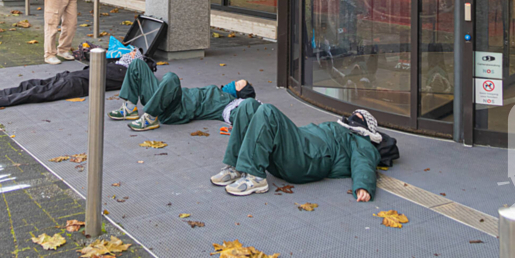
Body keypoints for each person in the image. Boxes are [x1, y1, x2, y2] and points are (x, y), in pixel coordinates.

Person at [209, 102, 399, 199]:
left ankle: (255, 178)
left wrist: (364, 186)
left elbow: (363, 162)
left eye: (360, 116)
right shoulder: (338, 127)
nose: (355, 114)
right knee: (249, 105)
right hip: (300, 148)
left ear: (367, 127)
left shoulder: (361, 140)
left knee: (268, 111)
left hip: (310, 159)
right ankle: (236, 167)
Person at [0, 38, 154, 110]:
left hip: (78, 85)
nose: (128, 51)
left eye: (131, 53)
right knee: (31, 84)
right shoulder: (119, 63)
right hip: (73, 76)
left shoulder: (128, 73)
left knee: (36, 92)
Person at [107, 57, 256, 131]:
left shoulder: (228, 104)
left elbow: (244, 112)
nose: (232, 82)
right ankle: (129, 108)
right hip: (165, 99)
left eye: (237, 84)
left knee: (171, 77)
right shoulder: (218, 91)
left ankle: (150, 118)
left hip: (176, 110)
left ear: (239, 94)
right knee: (137, 63)